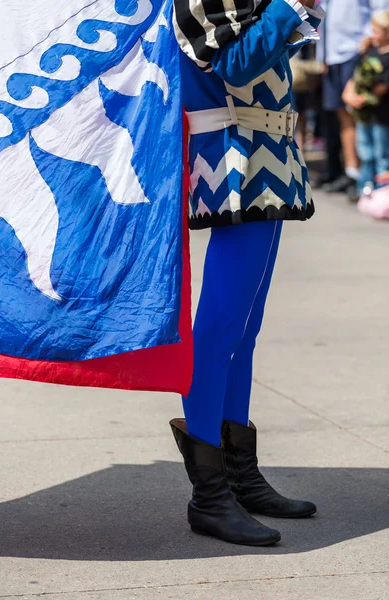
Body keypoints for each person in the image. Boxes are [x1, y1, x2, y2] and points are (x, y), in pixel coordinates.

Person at [170, 0, 325, 547]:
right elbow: (233, 64)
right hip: (234, 163)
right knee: (218, 330)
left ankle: (239, 476)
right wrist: (290, 8)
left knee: (244, 330)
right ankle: (208, 495)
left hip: (266, 160)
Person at [318, 0, 388, 199]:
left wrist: (367, 38)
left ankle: (371, 179)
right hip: (332, 55)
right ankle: (352, 172)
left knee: (357, 114)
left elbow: (381, 8)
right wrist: (322, 56)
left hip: (354, 51)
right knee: (342, 114)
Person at [342, 11, 389, 192]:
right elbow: (356, 76)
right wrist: (350, 93)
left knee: (382, 155)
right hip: (365, 115)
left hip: (382, 116)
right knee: (366, 153)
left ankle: (382, 192)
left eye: (376, 31)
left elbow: (382, 86)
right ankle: (365, 189)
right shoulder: (371, 52)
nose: (373, 35)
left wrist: (362, 98)